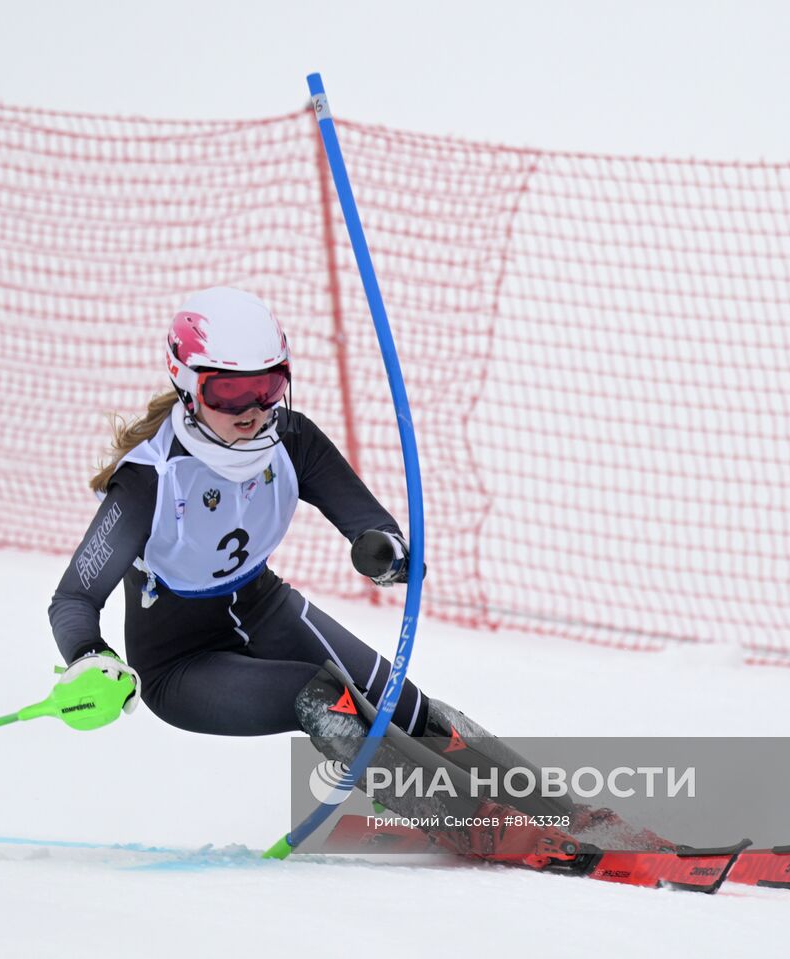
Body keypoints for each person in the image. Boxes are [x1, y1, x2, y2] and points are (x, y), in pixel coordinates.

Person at [46, 287, 589, 869]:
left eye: (268, 385)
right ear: (186, 382)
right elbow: (74, 597)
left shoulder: (292, 440)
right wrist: (89, 657)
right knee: (324, 698)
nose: (251, 407)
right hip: (181, 664)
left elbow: (369, 524)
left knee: (401, 704)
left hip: (263, 607)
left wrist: (385, 552)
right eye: (228, 391)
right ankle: (474, 824)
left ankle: (564, 813)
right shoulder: (151, 479)